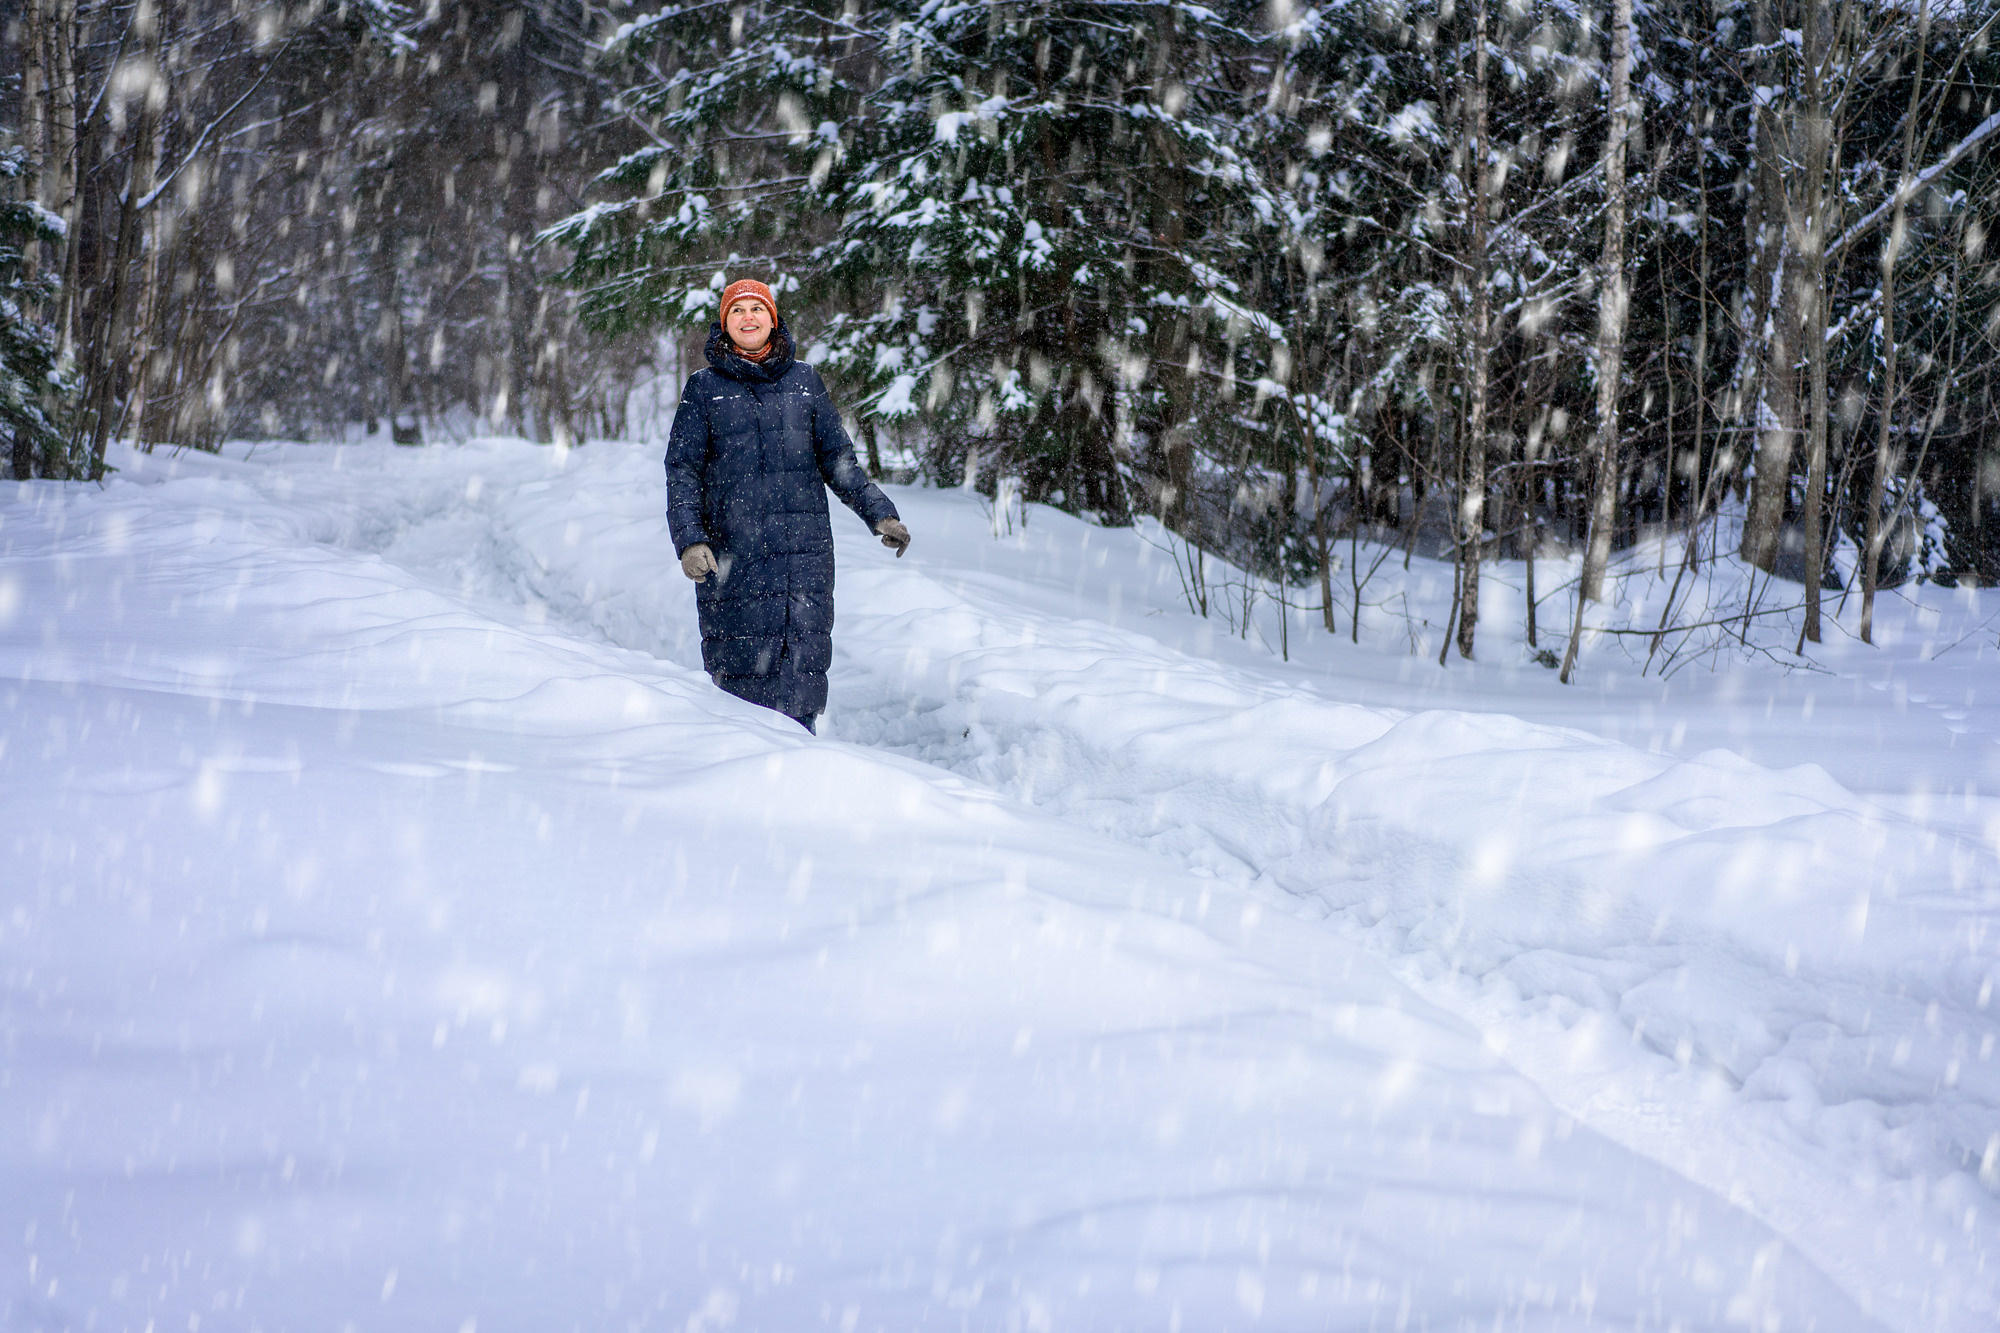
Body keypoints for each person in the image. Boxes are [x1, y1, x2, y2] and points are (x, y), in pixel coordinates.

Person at [665, 279, 912, 733]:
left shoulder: (804, 382)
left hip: (804, 557)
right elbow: (683, 471)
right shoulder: (703, 388)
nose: (748, 318)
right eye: (737, 310)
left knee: (802, 671)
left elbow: (837, 459)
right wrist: (690, 541)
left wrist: (880, 513)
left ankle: (800, 760)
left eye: (757, 309)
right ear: (725, 323)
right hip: (734, 556)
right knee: (739, 680)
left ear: (772, 319)